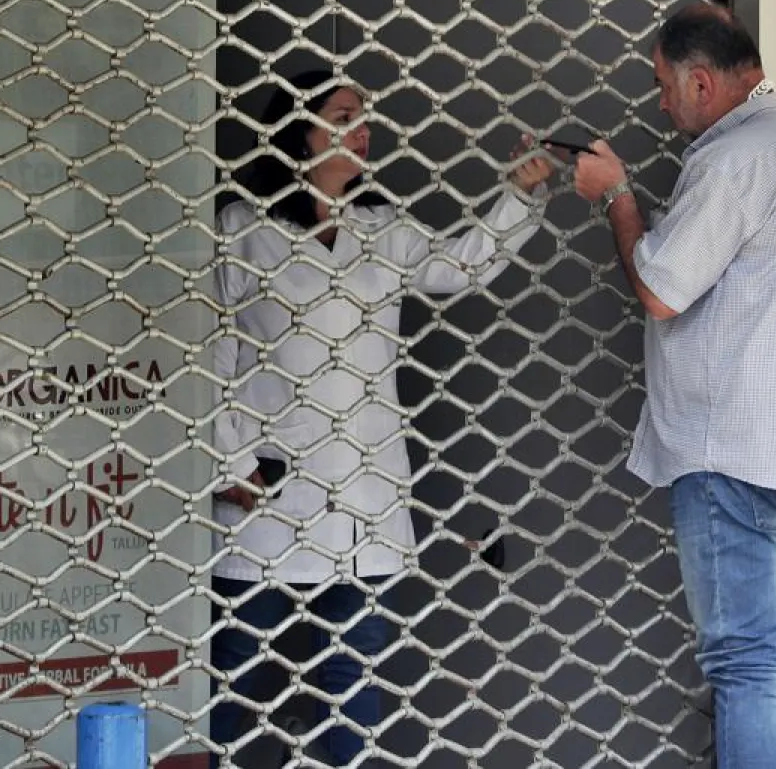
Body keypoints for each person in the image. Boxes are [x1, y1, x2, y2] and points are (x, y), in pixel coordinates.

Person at [208, 69, 557, 767]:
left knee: (351, 679)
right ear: (300, 132)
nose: (363, 127)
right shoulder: (242, 228)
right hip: (267, 493)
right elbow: (209, 350)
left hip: (365, 496)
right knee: (231, 677)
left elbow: (464, 265)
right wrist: (228, 462)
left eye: (364, 113)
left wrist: (519, 194)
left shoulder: (382, 227)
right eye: (344, 114)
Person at [572, 4, 776, 769]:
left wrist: (618, 198)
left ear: (701, 82)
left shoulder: (736, 158)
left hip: (738, 456)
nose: (661, 105)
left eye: (663, 87)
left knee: (745, 665)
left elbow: (663, 288)